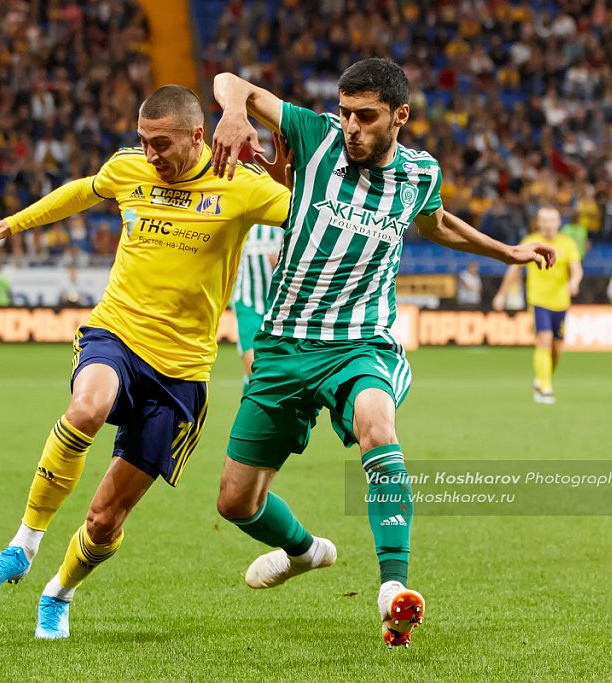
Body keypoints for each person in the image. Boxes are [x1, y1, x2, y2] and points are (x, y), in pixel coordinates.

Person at [210, 59, 555, 649]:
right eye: (345, 112)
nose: (350, 126)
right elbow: (230, 83)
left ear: (400, 117)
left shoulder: (421, 172)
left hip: (361, 343)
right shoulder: (314, 135)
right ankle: (304, 550)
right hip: (286, 343)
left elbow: (437, 222)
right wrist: (235, 111)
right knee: (236, 501)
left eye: (365, 116)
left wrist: (508, 253)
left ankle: (392, 591)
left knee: (377, 424)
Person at [0, 85, 290, 640]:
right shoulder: (129, 168)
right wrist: (7, 225)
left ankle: (59, 592)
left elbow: (308, 216)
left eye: (161, 143)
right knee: (88, 406)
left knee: (105, 521)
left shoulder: (240, 185)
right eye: (142, 142)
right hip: (117, 334)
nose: (150, 154)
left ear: (198, 136)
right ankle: (22, 547)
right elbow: (82, 191)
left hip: (181, 373)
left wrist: (289, 162)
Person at [493, 206, 582, 404]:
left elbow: (576, 269)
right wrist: (502, 294)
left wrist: (574, 282)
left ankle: (541, 378)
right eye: (545, 220)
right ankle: (545, 387)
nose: (549, 224)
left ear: (559, 223)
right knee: (544, 339)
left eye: (553, 220)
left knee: (557, 349)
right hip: (538, 300)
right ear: (538, 223)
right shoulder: (530, 243)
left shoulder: (568, 244)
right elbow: (514, 270)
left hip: (561, 301)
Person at [232, 221, 284, 379]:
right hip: (249, 304)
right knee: (256, 371)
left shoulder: (289, 217)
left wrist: (283, 264)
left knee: (278, 372)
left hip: (281, 309)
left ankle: (248, 393)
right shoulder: (245, 221)